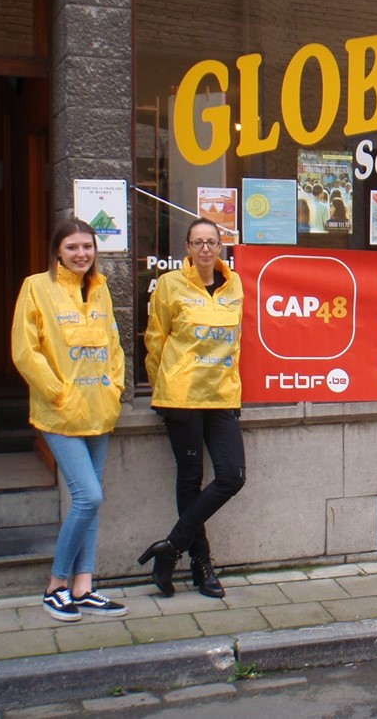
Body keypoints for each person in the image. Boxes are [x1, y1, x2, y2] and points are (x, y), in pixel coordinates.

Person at [11, 219, 127, 622]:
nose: (81, 254)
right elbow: (25, 351)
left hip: (99, 411)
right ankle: (56, 585)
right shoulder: (36, 287)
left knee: (92, 503)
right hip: (59, 413)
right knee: (88, 497)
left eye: (87, 247)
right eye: (73, 247)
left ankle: (84, 585)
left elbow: (114, 344)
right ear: (57, 251)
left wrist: (115, 389)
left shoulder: (100, 289)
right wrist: (58, 393)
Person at [139, 217, 246, 597]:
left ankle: (170, 548)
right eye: (197, 242)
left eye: (211, 242)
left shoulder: (235, 287)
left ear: (220, 247)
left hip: (220, 396)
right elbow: (155, 340)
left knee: (232, 476)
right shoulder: (170, 285)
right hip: (181, 396)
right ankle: (203, 566)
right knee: (189, 480)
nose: (204, 248)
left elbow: (235, 343)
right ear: (187, 248)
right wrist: (160, 386)